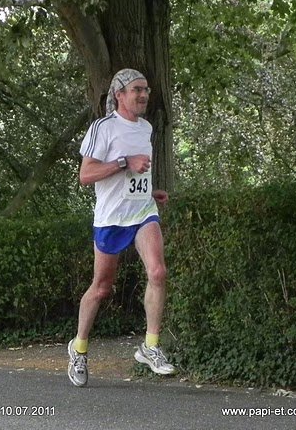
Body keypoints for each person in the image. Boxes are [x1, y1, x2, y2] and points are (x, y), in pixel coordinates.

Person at [67, 68, 175, 387]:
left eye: (146, 89)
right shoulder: (103, 128)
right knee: (102, 288)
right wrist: (125, 162)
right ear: (119, 95)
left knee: (158, 272)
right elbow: (85, 175)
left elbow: (135, 176)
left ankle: (150, 346)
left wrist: (148, 191)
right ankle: (79, 349)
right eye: (137, 89)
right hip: (111, 219)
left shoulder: (146, 128)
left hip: (142, 212)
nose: (143, 95)